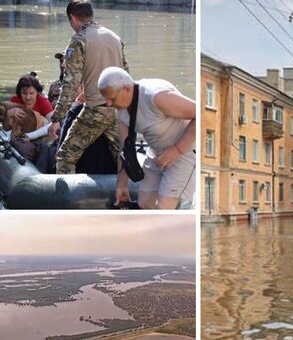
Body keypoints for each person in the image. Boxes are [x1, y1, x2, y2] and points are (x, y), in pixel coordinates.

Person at [47, 0, 128, 174]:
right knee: (121, 156)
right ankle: (126, 195)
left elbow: (70, 83)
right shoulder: (115, 38)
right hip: (117, 110)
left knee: (65, 156)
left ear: (72, 18)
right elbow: (126, 75)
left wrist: (56, 118)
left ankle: (65, 201)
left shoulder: (79, 40)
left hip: (95, 110)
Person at [97, 66, 195, 209]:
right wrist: (122, 184)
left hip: (184, 152)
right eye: (106, 99)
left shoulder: (157, 96)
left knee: (163, 207)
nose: (109, 104)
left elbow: (200, 114)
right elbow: (125, 149)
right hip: (156, 153)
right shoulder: (121, 110)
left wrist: (176, 150)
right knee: (145, 204)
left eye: (112, 98)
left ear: (127, 89)